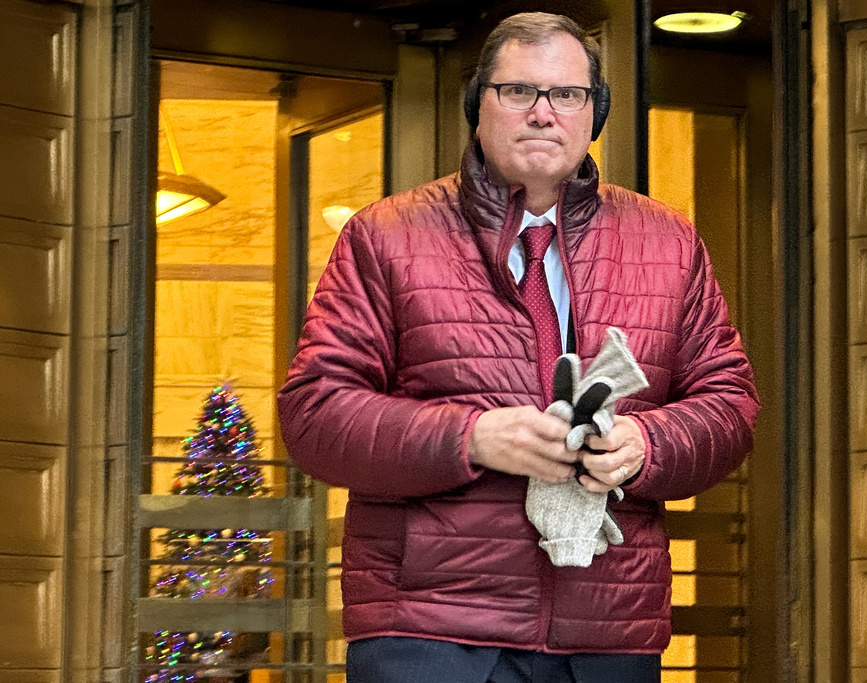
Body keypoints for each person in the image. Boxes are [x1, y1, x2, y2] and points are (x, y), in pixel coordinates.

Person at [277, 11, 759, 683]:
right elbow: (315, 414)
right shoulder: (384, 236)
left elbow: (730, 405)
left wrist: (648, 445)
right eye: (518, 91)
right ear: (479, 106)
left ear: (595, 113)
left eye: (567, 95)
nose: (544, 113)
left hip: (606, 626)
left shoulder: (668, 242)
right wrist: (470, 436)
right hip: (427, 626)